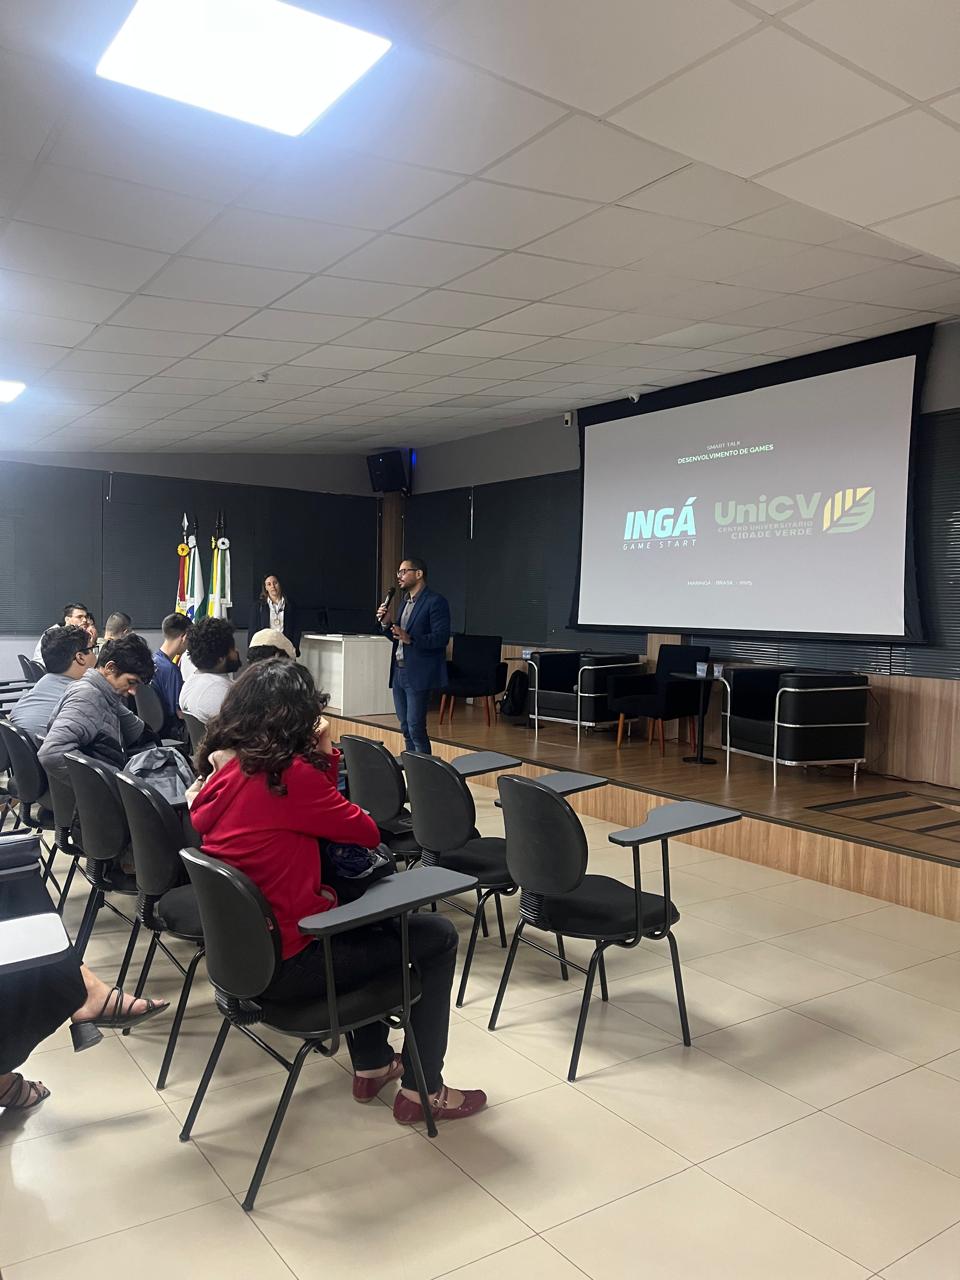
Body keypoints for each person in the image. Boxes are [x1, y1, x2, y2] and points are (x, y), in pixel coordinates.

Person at [187, 659, 484, 1125]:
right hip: (295, 962)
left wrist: (319, 761)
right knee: (437, 936)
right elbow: (364, 830)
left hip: (248, 963)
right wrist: (325, 751)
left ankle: (373, 1063)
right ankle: (424, 1091)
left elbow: (316, 815)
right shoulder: (285, 776)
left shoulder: (223, 771)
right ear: (297, 719)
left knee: (364, 920)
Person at [38, 633, 156, 788]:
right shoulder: (88, 697)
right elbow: (51, 754)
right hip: (106, 795)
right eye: (131, 682)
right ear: (110, 668)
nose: (133, 691)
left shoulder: (102, 694)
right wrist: (114, 784)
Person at [377, 558, 450, 756]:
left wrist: (411, 638)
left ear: (419, 574)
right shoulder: (404, 602)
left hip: (418, 672)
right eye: (398, 572)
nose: (399, 576)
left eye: (404, 572)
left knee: (416, 728)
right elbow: (399, 637)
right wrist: (387, 624)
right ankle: (411, 769)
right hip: (399, 671)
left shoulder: (435, 601)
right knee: (406, 728)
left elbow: (441, 638)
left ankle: (424, 772)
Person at [10, 625, 96, 740]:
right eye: (93, 649)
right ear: (80, 657)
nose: (95, 655)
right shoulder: (85, 698)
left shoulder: (40, 686)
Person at [179, 616, 240, 725]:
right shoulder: (221, 693)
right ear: (221, 659)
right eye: (233, 648)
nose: (237, 651)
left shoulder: (190, 683)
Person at [152, 613, 193, 738]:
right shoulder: (171, 670)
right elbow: (178, 713)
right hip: (169, 732)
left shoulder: (153, 661)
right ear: (184, 637)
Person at [248, 575, 300, 656]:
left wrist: (294, 648)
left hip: (285, 649)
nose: (272, 586)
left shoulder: (290, 605)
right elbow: (252, 631)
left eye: (275, 583)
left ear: (280, 584)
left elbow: (296, 629)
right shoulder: (258, 606)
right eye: (269, 584)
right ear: (265, 588)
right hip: (265, 650)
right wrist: (251, 651)